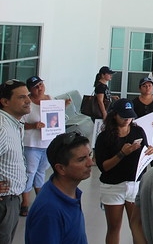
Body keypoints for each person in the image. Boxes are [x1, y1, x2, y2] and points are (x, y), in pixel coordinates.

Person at [94, 99, 153, 244]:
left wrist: (150, 151)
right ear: (115, 115)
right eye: (124, 116)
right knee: (114, 227)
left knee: (138, 227)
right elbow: (104, 167)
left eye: (130, 116)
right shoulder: (104, 137)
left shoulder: (138, 131)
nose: (128, 120)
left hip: (135, 184)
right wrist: (122, 154)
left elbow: (144, 152)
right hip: (113, 186)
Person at [25, 131, 93, 244]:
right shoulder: (49, 211)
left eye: (89, 155)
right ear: (61, 168)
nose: (90, 163)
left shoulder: (70, 193)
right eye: (81, 159)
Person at [20, 76, 71, 216]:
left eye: (41, 84)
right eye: (36, 86)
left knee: (41, 171)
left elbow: (55, 115)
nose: (40, 88)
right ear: (30, 90)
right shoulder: (27, 102)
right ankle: (25, 202)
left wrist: (63, 106)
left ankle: (40, 199)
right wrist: (33, 126)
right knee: (30, 172)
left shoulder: (50, 99)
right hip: (32, 144)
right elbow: (20, 123)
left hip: (48, 143)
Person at [0, 79, 30, 243]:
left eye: (28, 95)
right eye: (21, 97)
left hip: (12, 200)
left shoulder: (14, 124)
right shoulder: (2, 128)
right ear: (5, 102)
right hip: (4, 202)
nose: (28, 100)